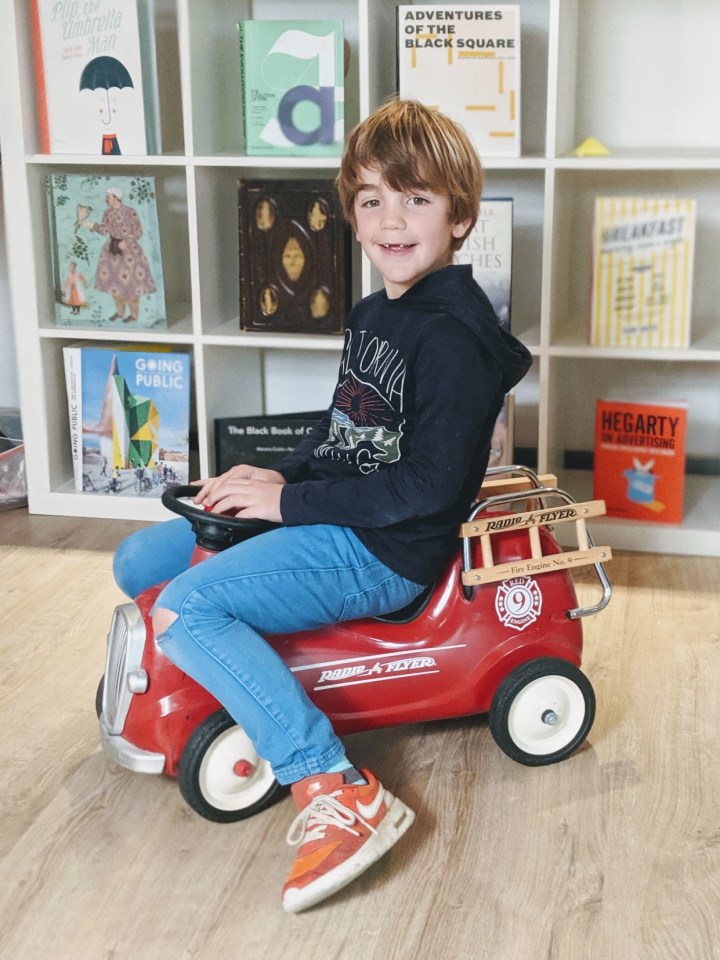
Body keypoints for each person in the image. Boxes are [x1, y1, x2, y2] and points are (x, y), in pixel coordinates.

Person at [112, 98, 532, 912]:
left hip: (383, 550)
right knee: (140, 562)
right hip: (336, 512)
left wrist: (290, 503)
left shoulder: (453, 339)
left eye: (416, 198)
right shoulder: (380, 309)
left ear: (460, 215)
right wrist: (266, 478)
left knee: (190, 608)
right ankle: (217, 684)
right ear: (352, 215)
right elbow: (346, 426)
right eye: (372, 199)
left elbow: (425, 492)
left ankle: (334, 785)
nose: (391, 219)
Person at [80, 187, 157, 322]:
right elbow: (105, 229)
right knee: (114, 284)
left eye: (109, 197)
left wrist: (126, 241)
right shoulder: (107, 213)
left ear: (116, 197)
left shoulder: (130, 212)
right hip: (112, 250)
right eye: (107, 197)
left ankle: (134, 314)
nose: (106, 199)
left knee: (132, 285)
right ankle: (120, 312)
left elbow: (138, 231)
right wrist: (89, 224)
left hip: (130, 252)